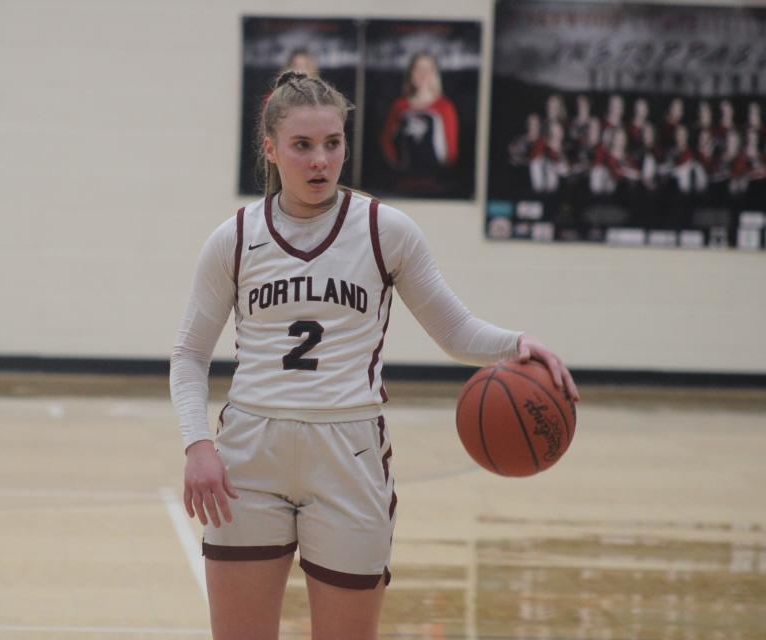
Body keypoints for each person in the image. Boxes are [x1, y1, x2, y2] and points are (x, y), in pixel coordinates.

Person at [170, 71, 580, 640]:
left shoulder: (386, 230)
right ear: (271, 148)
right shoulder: (235, 239)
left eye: (333, 144)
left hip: (349, 453)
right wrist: (197, 445)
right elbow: (190, 354)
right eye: (303, 145)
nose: (320, 161)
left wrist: (518, 344)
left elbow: (455, 330)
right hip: (249, 455)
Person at [379, 52, 460, 192]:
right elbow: (386, 141)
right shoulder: (400, 106)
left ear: (435, 74)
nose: (423, 74)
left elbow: (451, 150)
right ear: (411, 73)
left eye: (428, 69)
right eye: (418, 69)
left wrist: (441, 175)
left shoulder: (445, 107)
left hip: (435, 184)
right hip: (404, 183)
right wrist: (399, 166)